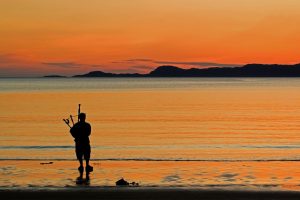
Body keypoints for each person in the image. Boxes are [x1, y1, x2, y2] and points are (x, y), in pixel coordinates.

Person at [70, 113, 93, 178]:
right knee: (85, 153)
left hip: (80, 141)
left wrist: (76, 136)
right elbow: (88, 133)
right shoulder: (87, 125)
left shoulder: (77, 125)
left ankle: (82, 165)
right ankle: (85, 165)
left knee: (81, 153)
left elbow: (71, 131)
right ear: (84, 117)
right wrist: (76, 135)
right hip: (84, 141)